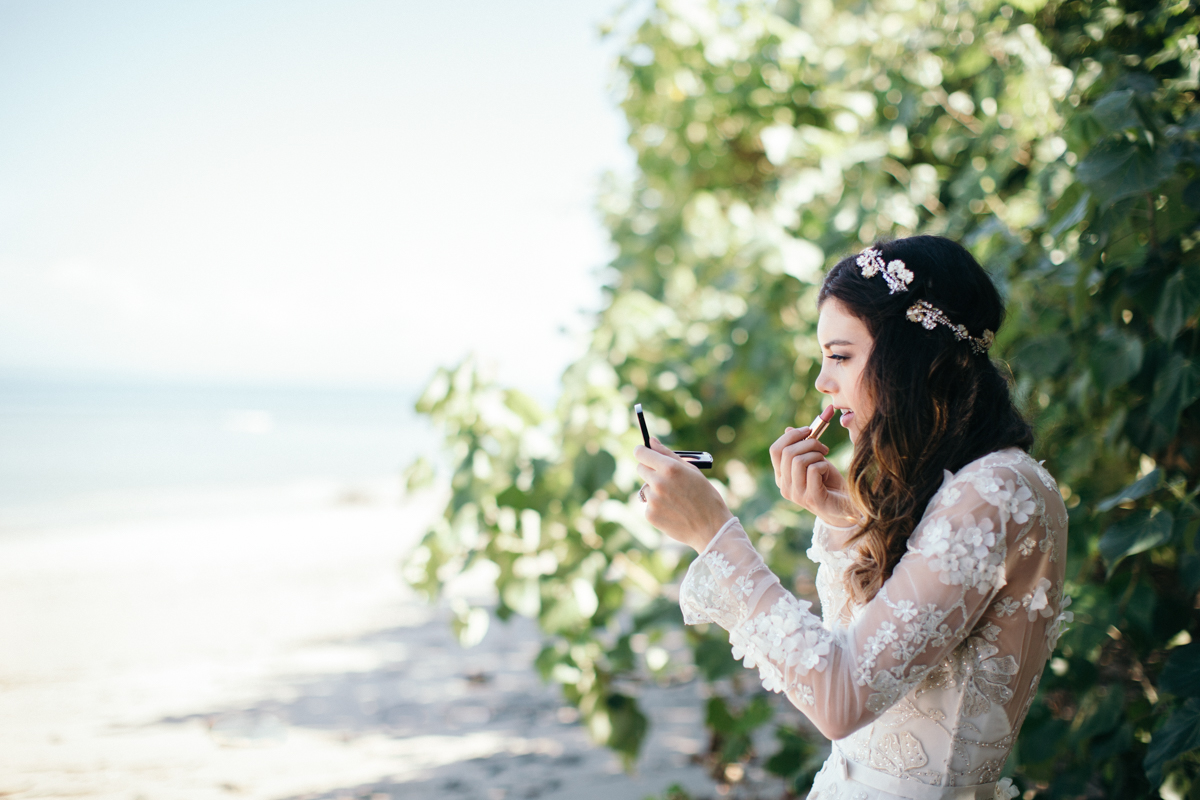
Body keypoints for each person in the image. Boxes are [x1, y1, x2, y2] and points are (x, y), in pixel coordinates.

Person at [633, 236, 1071, 800]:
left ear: (912, 358)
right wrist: (842, 518)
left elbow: (842, 700)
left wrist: (713, 535)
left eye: (839, 355)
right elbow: (867, 647)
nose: (822, 381)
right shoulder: (963, 491)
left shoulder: (997, 491)